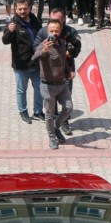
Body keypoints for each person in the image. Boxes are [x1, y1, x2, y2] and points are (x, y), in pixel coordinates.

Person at [31, 18, 74, 150]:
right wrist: (43, 51)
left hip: (62, 84)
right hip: (47, 86)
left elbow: (63, 61)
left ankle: (56, 126)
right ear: (47, 31)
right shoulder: (43, 45)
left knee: (68, 108)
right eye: (52, 31)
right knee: (49, 113)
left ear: (60, 31)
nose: (54, 33)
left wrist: (69, 71)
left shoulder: (62, 44)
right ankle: (52, 137)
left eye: (57, 31)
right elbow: (33, 59)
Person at [2, 0, 43, 124]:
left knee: (39, 88)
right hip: (21, 64)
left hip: (36, 62)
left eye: (25, 8)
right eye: (20, 9)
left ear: (29, 8)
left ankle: (38, 112)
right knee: (21, 90)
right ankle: (23, 111)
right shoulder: (13, 23)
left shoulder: (35, 20)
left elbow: (41, 35)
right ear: (16, 9)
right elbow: (5, 40)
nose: (22, 11)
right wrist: (10, 31)